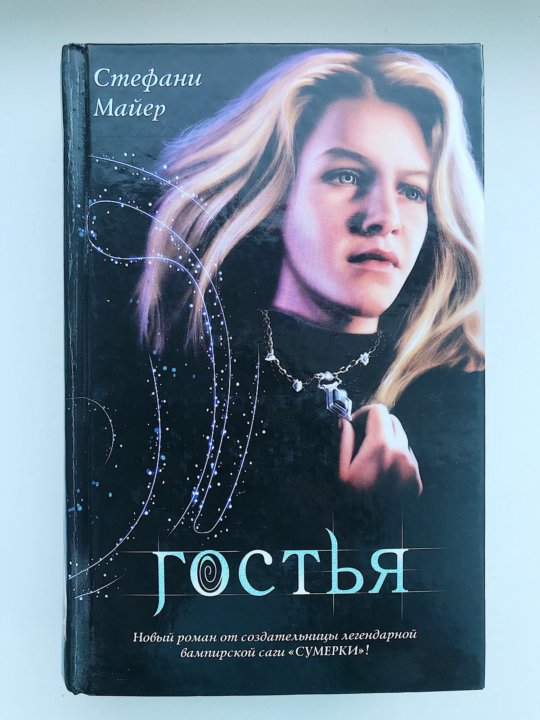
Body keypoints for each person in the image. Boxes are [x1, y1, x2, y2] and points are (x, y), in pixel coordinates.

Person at [136, 48, 484, 545]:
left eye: (412, 191)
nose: (383, 217)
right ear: (279, 193)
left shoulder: (462, 400)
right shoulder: (172, 378)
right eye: (347, 176)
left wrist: (383, 523)